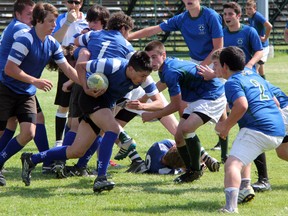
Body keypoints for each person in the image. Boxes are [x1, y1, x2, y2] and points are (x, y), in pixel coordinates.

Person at [20, 51, 160, 193]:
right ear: (130, 69)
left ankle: (32, 159)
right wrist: (86, 88)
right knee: (111, 128)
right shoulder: (113, 65)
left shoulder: (144, 79)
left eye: (146, 76)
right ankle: (101, 178)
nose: (143, 79)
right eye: (142, 75)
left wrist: (143, 106)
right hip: (89, 99)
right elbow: (81, 66)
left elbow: (160, 103)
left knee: (77, 151)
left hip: (106, 105)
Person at [0, 2, 79, 186]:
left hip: (26, 92)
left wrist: (84, 83)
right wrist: (35, 81)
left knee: (28, 132)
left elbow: (67, 67)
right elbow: (10, 69)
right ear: (38, 21)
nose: (54, 25)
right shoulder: (24, 39)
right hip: (6, 89)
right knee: (4, 129)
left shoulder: (51, 42)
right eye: (51, 21)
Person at [215, 46, 288, 214]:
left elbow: (242, 105)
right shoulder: (255, 76)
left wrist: (225, 126)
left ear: (225, 66)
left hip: (259, 130)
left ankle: (231, 207)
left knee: (232, 164)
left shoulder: (232, 82)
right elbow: (276, 103)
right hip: (277, 130)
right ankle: (245, 186)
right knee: (242, 150)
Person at [142, 40, 226, 184]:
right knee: (179, 137)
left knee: (187, 128)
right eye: (149, 58)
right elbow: (163, 86)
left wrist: (152, 115)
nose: (152, 61)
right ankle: (191, 170)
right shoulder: (165, 68)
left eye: (155, 57)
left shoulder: (170, 71)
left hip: (211, 95)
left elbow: (175, 105)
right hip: (196, 98)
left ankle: (195, 170)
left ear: (164, 55)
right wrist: (142, 99)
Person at [128, 0, 223, 66]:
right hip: (194, 61)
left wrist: (201, 67)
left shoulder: (211, 16)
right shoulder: (181, 19)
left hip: (214, 62)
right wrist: (127, 37)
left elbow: (218, 48)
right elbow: (152, 30)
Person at [53, 0, 88, 148]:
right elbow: (54, 40)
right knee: (64, 105)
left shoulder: (87, 19)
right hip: (66, 63)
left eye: (77, 1)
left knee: (82, 105)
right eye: (70, 1)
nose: (74, 4)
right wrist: (68, 22)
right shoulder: (60, 19)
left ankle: (76, 139)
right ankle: (58, 142)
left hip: (83, 63)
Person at [223, 2, 263, 70]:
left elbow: (259, 51)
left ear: (238, 15)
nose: (227, 17)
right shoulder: (221, 33)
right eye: (225, 14)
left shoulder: (249, 31)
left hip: (246, 72)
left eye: (230, 14)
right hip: (228, 74)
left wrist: (250, 65)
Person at [245, 0, 273, 79]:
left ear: (255, 8)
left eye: (250, 9)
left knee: (255, 68)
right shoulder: (251, 18)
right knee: (260, 68)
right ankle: (265, 83)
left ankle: (257, 86)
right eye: (247, 9)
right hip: (257, 45)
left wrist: (265, 38)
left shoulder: (257, 16)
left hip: (263, 47)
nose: (248, 11)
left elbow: (269, 26)